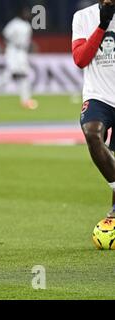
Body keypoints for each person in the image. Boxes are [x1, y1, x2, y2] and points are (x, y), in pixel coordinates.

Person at [72, 0, 115, 218]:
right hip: (98, 96)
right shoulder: (82, 17)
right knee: (92, 133)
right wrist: (103, 24)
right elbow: (80, 59)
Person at [0, 6, 37, 110]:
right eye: (25, 12)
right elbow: (5, 34)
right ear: (20, 13)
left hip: (22, 52)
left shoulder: (27, 25)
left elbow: (27, 41)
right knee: (15, 73)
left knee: (21, 75)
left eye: (28, 13)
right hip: (13, 51)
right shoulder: (14, 23)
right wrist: (10, 44)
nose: (27, 14)